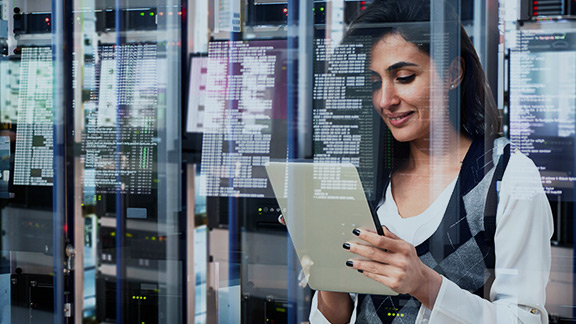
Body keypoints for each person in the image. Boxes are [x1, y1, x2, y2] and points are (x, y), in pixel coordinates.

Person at [307, 0, 554, 323]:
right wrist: (325, 260)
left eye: (405, 77)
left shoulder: (507, 176)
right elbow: (334, 316)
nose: (385, 100)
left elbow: (526, 319)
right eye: (374, 83)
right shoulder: (364, 175)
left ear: (453, 73)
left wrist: (425, 284)